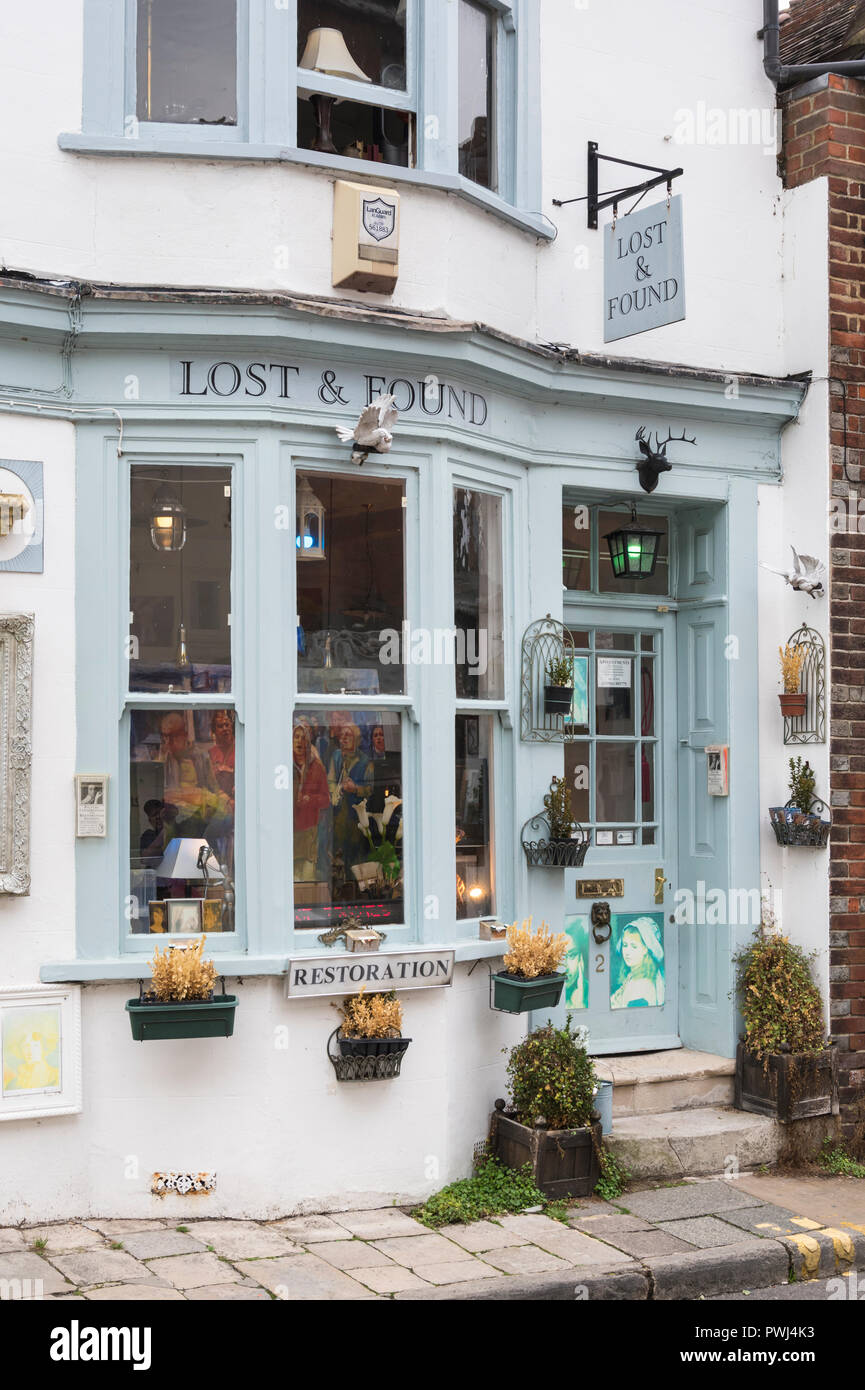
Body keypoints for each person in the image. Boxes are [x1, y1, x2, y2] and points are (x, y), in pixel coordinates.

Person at [158, 711, 230, 837]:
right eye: (164, 737)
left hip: (200, 817)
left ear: (184, 735)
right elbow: (164, 794)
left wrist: (228, 802)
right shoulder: (164, 759)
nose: (168, 742)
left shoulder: (200, 757)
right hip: (173, 818)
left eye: (173, 736)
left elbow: (214, 790)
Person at [328, 723, 373, 876]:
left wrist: (355, 789)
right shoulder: (336, 756)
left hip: (356, 818)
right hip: (338, 815)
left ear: (356, 739)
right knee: (338, 853)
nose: (344, 738)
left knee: (354, 855)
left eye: (348, 735)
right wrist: (336, 790)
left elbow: (370, 789)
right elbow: (331, 780)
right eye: (342, 735)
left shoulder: (365, 761)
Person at [293, 722, 329, 882]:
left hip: (309, 834)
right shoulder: (282, 766)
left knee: (307, 880)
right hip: (288, 833)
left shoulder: (317, 767)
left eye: (303, 739)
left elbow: (326, 800)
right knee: (290, 882)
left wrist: (310, 800)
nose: (299, 742)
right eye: (296, 737)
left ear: (309, 744)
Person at [610, 916, 665, 1009]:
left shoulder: (642, 986)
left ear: (645, 949)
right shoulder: (632, 975)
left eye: (634, 946)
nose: (627, 952)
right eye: (625, 945)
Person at [208, 709, 235, 803]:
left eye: (227, 725)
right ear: (214, 731)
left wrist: (230, 771)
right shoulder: (210, 753)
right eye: (220, 726)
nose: (225, 728)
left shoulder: (240, 749)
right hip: (217, 801)